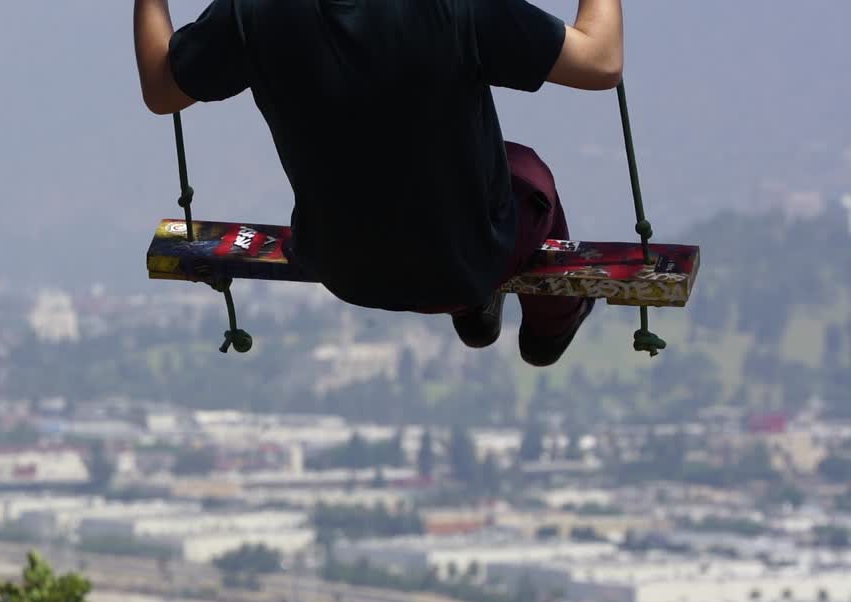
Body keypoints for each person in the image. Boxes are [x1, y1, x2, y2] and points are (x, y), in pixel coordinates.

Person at [133, 0, 625, 366]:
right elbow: (601, 62)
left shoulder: (253, 9)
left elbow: (162, 91)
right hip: (467, 259)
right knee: (528, 175)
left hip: (343, 267)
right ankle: (548, 328)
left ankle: (477, 306)